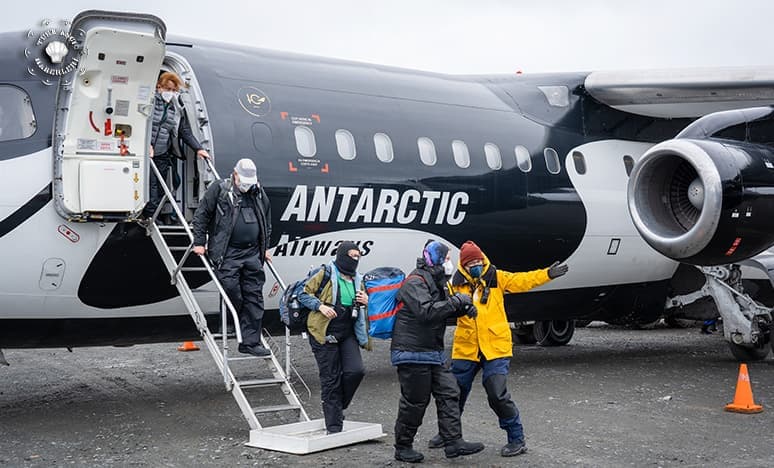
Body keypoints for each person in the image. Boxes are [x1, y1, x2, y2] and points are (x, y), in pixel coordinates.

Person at [427, 240, 568, 457]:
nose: (475, 264)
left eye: (478, 260)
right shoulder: (454, 284)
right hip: (467, 348)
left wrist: (548, 274)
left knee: (497, 393)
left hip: (496, 347)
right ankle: (447, 433)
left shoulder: (496, 277)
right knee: (454, 393)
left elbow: (524, 280)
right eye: (471, 262)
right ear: (463, 265)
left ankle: (517, 438)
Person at [390, 240, 485, 463]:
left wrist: (463, 308)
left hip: (432, 352)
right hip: (411, 352)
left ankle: (453, 443)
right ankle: (402, 447)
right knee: (415, 401)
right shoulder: (415, 281)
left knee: (450, 392)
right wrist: (456, 301)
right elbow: (426, 312)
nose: (450, 262)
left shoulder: (437, 281)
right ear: (437, 257)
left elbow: (441, 312)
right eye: (448, 257)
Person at [192, 158, 272, 357]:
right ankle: (231, 323)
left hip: (252, 253)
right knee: (231, 290)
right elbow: (202, 215)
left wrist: (265, 248)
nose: (246, 184)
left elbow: (266, 221)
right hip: (228, 253)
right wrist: (199, 242)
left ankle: (250, 342)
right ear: (235, 174)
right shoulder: (220, 190)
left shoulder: (258, 193)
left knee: (254, 296)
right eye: (243, 179)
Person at [298, 241, 371, 434]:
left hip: (348, 331)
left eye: (358, 256)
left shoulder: (358, 279)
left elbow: (364, 307)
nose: (355, 259)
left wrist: (366, 301)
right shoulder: (325, 273)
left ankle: (337, 408)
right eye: (352, 255)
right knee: (330, 379)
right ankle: (334, 426)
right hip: (324, 331)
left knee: (356, 371)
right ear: (342, 255)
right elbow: (302, 293)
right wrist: (320, 306)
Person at [143, 71, 210, 221]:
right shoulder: (149, 102)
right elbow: (139, 124)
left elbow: (184, 130)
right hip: (146, 153)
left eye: (174, 90)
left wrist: (198, 148)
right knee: (151, 186)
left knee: (162, 187)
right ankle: (148, 216)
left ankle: (155, 216)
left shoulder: (176, 108)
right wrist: (145, 144)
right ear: (159, 87)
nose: (171, 93)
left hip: (162, 153)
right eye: (168, 89)